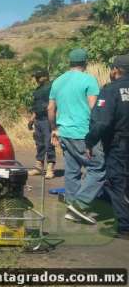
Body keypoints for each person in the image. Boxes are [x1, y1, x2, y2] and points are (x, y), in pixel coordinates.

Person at [48, 48, 104, 224]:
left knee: (72, 171)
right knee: (99, 167)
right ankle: (80, 205)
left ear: (69, 63)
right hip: (83, 132)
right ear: (85, 63)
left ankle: (72, 208)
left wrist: (54, 128)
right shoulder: (89, 80)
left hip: (64, 132)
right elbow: (94, 109)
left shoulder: (57, 81)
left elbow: (50, 109)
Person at [85, 54, 129, 239]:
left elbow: (102, 123)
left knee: (117, 183)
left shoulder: (111, 90)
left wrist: (90, 141)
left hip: (119, 145)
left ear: (116, 70)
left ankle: (125, 227)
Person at [28, 70, 56, 179]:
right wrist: (31, 120)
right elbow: (36, 107)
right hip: (38, 120)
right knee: (39, 144)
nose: (36, 79)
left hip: (47, 119)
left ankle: (50, 168)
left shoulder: (51, 88)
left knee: (49, 144)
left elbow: (54, 104)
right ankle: (38, 167)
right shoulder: (37, 90)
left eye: (39, 77)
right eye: (36, 77)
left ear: (45, 77)